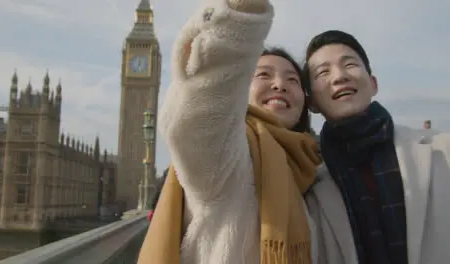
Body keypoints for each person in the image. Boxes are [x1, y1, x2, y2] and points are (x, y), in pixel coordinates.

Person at [137, 0, 322, 263]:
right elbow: (200, 111)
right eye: (264, 75)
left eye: (292, 79)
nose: (280, 84)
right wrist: (240, 13)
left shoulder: (313, 169)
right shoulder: (224, 155)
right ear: (239, 89)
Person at [303, 30, 450, 264]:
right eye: (323, 72)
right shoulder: (308, 183)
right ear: (311, 103)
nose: (339, 77)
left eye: (349, 64)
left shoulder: (441, 151)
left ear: (373, 84)